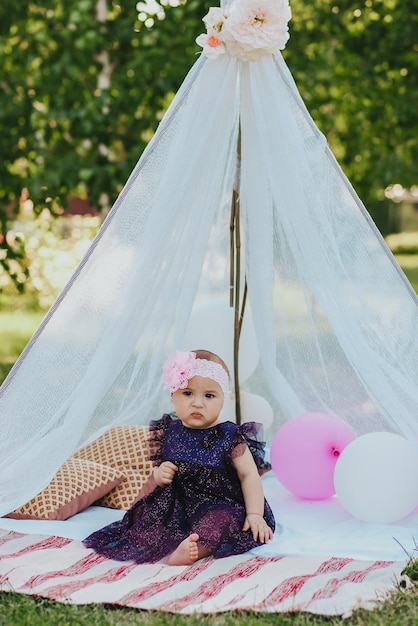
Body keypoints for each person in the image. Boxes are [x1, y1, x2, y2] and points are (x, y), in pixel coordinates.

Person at [83, 349, 275, 565]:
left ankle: (192, 549)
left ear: (223, 400)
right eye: (188, 393)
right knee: (147, 520)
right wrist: (158, 475)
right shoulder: (169, 432)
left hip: (220, 502)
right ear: (172, 395)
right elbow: (151, 485)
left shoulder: (229, 436)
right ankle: (168, 541)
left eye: (209, 396)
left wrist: (256, 514)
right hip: (178, 506)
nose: (197, 403)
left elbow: (249, 475)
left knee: (222, 521)